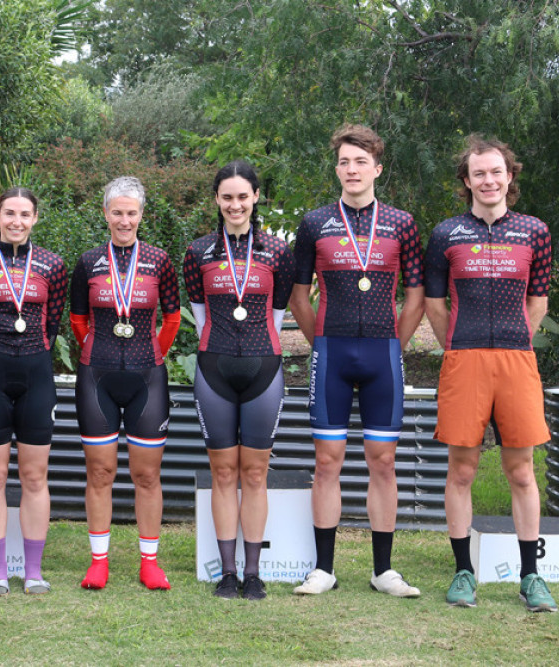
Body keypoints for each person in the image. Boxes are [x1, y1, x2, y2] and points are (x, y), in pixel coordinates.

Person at [289, 124, 425, 597]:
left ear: (377, 169)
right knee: (327, 462)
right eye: (344, 162)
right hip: (332, 352)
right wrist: (321, 341)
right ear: (337, 168)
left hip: (382, 354)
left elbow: (416, 298)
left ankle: (382, 570)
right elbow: (298, 297)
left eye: (360, 161)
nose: (352, 169)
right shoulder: (314, 223)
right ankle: (323, 569)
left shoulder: (402, 223)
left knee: (382, 461)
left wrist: (394, 344)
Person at [425, 135, 556, 612]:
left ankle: (530, 577)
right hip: (465, 359)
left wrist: (516, 339)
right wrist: (458, 348)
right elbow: (435, 305)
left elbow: (538, 300)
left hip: (517, 361)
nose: (488, 180)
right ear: (466, 180)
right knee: (461, 469)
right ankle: (464, 572)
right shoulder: (445, 234)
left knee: (522, 472)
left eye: (496, 171)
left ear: (509, 176)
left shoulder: (534, 232)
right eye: (478, 173)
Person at [182, 161, 295, 600]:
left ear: (256, 197)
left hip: (263, 368)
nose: (235, 205)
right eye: (226, 197)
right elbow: (199, 316)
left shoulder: (277, 252)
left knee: (255, 472)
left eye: (242, 196)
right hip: (215, 369)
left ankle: (253, 573)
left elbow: (278, 314)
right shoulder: (198, 253)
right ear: (216, 200)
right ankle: (226, 573)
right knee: (222, 471)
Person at [69, 176, 181, 591]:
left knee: (147, 476)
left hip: (147, 377)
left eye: (131, 212)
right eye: (117, 212)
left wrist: (154, 354)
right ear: (105, 214)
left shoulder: (159, 261)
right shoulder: (88, 262)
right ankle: (99, 562)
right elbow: (78, 320)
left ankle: (149, 563)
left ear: (141, 215)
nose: (124, 220)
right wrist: (96, 351)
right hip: (96, 375)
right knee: (99, 473)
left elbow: (171, 319)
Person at [0, 188, 68, 595]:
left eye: (24, 214)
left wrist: (29, 355)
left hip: (36, 376)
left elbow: (51, 326)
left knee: (35, 477)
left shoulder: (53, 265)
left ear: (35, 217)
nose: (16, 221)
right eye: (9, 213)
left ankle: (34, 572)